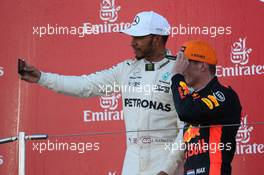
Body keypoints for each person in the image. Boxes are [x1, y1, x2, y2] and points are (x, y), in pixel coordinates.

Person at [19, 11, 184, 175]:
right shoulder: (126, 70)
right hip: (132, 165)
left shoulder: (180, 70)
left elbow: (186, 127)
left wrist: (167, 170)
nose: (132, 42)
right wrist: (42, 77)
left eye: (138, 37)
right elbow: (84, 85)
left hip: (164, 164)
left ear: (156, 39)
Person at [171, 40, 242, 175]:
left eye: (184, 63)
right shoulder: (192, 100)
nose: (179, 67)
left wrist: (177, 77)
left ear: (202, 65)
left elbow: (186, 112)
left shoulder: (224, 94)